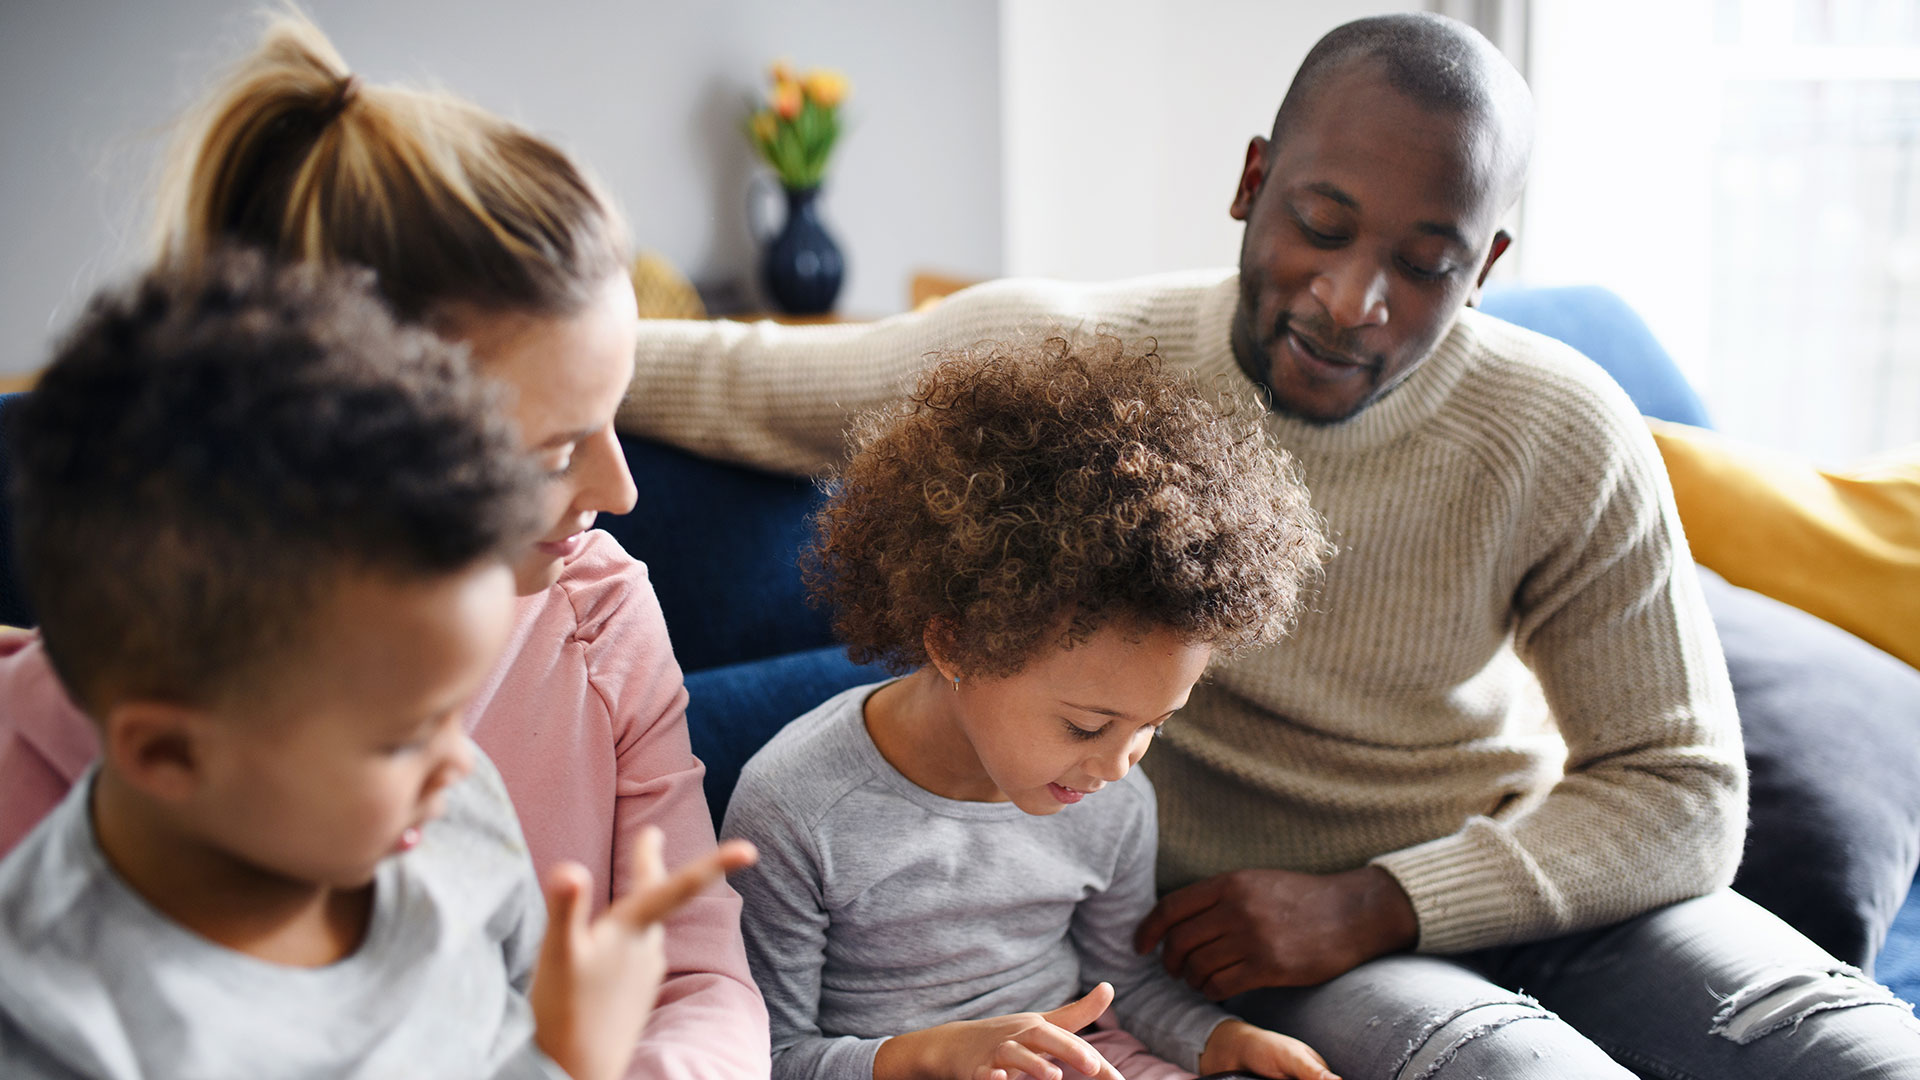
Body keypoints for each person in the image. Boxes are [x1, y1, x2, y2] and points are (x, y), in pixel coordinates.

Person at [615, 12, 1920, 1079]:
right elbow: (736, 377)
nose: (1353, 301)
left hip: (1533, 888)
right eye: (1323, 221)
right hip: (1291, 956)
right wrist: (460, 362)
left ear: (1490, 262)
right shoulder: (1075, 368)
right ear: (1252, 185)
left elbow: (1684, 789)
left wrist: (1380, 897)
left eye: (1426, 262)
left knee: (1857, 1051)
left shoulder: (1563, 425)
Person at [0, 13, 769, 1077]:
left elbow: (682, 984)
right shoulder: (63, 866)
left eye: (618, 423)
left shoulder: (560, 660)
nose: (621, 489)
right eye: (550, 450)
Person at [722, 338, 1336, 1080]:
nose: (1118, 764)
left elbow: (1128, 985)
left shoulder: (1113, 801)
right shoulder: (794, 808)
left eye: (1153, 726)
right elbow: (769, 1058)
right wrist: (938, 1055)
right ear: (957, 645)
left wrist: (1222, 1040)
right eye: (1085, 725)